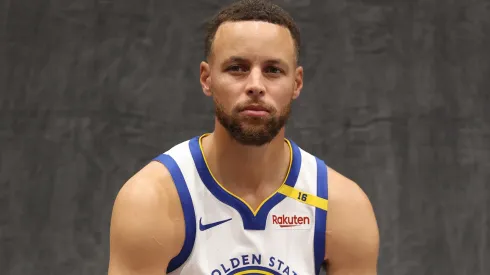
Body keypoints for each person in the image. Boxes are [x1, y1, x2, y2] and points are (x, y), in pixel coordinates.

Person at [108, 0, 379, 274]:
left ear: (296, 84)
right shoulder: (152, 200)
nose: (255, 86)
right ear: (206, 78)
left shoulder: (339, 205)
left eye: (273, 70)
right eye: (237, 68)